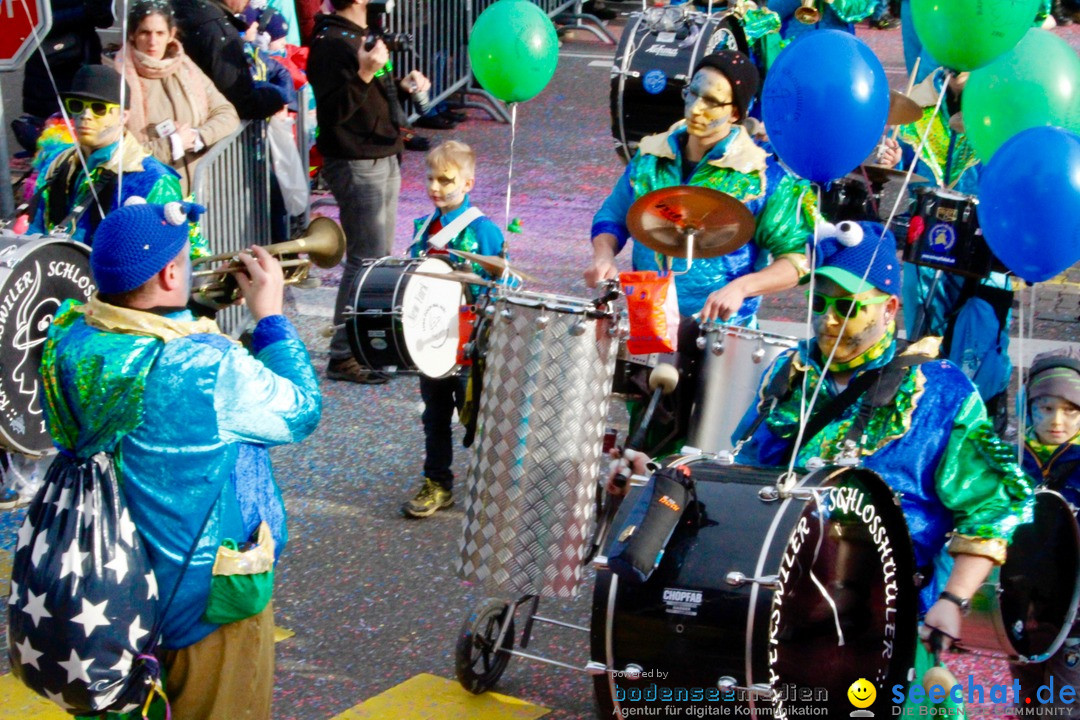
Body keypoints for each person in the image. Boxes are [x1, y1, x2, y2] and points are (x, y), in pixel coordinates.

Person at [39, 200, 321, 719]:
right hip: (205, 601)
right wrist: (272, 317)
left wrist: (194, 315)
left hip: (104, 592)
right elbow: (300, 410)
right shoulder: (205, 362)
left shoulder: (66, 336)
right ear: (170, 271)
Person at [728, 223, 1032, 703]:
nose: (828, 322)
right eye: (820, 306)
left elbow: (996, 503)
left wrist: (953, 600)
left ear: (890, 308)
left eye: (848, 308)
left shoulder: (943, 391)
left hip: (888, 624)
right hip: (787, 614)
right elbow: (745, 474)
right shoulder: (788, 375)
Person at [586, 50, 812, 325]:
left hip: (720, 332)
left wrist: (742, 288)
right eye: (692, 93)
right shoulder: (649, 158)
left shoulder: (763, 177)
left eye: (711, 101)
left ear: (736, 112)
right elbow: (612, 216)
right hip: (647, 320)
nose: (695, 108)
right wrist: (603, 256)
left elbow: (797, 258)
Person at [880, 68, 1013, 431]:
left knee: (977, 348)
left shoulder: (1006, 97)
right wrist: (894, 160)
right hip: (927, 251)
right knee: (923, 349)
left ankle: (976, 433)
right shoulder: (920, 101)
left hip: (986, 251)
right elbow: (907, 166)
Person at [307, 0, 431, 384]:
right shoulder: (331, 42)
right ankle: (344, 354)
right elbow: (333, 113)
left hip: (379, 153)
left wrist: (399, 87)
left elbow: (366, 99)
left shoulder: (357, 35)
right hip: (357, 160)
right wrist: (364, 71)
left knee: (375, 260)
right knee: (365, 262)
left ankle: (367, 347)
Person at [400, 141, 503, 518]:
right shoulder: (422, 227)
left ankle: (492, 487)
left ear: (468, 182)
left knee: (480, 417)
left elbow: (502, 284)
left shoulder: (483, 230)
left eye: (446, 179)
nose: (436, 187)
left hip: (470, 343)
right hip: (432, 339)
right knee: (435, 416)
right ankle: (438, 483)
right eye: (430, 178)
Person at [26, 65, 190, 247]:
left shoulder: (153, 179)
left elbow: (167, 253)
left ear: (124, 116)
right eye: (77, 105)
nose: (85, 115)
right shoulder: (58, 163)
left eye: (99, 108)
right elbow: (35, 226)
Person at [110, 0, 240, 196]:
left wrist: (199, 136)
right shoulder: (116, 77)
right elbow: (116, 153)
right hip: (148, 196)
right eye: (145, 32)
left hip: (197, 191)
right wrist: (172, 145)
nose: (153, 41)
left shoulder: (186, 68)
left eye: (160, 33)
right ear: (132, 35)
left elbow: (227, 114)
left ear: (171, 34)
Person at [1010, 349, 1080, 710]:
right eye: (1046, 407)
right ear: (1027, 406)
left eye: (1071, 410)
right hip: (1020, 608)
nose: (1057, 421)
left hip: (1074, 615)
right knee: (1028, 701)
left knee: (1062, 706)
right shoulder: (1010, 461)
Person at [12, 0, 114, 153]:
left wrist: (102, 9)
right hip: (50, 69)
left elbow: (105, 20)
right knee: (55, 142)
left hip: (84, 63)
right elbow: (32, 21)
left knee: (88, 133)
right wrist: (83, 12)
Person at [172, 0, 288, 120]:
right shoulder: (217, 31)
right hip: (201, 126)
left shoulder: (180, 11)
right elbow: (239, 101)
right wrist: (277, 97)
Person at [767, 0, 876, 40]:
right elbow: (773, 8)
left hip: (835, 41)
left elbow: (860, 9)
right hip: (795, 40)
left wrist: (836, 1)